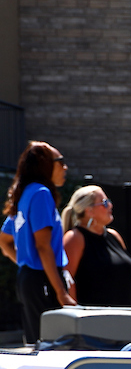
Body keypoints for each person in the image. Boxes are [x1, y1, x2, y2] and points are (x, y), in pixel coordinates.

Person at [4, 141, 75, 343]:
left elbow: (4, 240)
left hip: (29, 279)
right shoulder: (42, 193)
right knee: (50, 345)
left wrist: (26, 262)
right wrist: (61, 292)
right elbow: (43, 246)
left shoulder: (24, 193)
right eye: (60, 161)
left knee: (37, 343)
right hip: (43, 280)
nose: (65, 167)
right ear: (45, 165)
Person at [61, 186, 131, 310]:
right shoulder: (74, 238)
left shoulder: (115, 236)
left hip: (127, 319)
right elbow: (67, 281)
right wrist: (75, 315)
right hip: (93, 321)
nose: (110, 206)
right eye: (105, 203)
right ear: (89, 210)